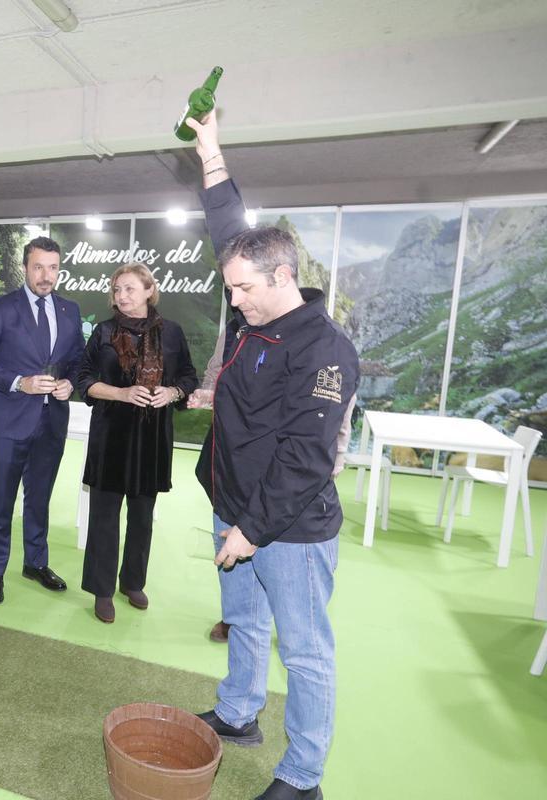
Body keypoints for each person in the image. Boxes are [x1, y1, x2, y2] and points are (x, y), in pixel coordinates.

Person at [188, 111, 360, 800]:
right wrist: (210, 151)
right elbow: (228, 226)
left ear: (283, 276)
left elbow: (305, 459)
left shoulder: (324, 350)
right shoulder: (253, 303)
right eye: (230, 288)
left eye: (243, 289)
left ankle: (303, 777)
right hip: (233, 506)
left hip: (289, 528)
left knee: (306, 652)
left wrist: (250, 531)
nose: (234, 301)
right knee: (244, 620)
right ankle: (238, 713)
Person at [190, 332, 358, 644]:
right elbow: (218, 372)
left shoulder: (323, 342)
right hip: (234, 480)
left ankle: (286, 623)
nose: (239, 305)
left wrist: (337, 456)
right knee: (242, 606)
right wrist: (210, 393)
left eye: (246, 299)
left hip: (291, 486)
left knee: (302, 636)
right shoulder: (238, 330)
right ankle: (240, 620)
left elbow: (337, 412)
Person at [76, 263, 197, 623]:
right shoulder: (103, 331)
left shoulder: (172, 333)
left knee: (142, 517)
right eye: (117, 289)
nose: (121, 296)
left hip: (152, 438)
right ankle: (101, 590)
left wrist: (172, 392)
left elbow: (188, 376)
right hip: (110, 436)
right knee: (104, 517)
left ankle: (132, 582)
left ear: (149, 291)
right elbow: (84, 379)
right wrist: (122, 393)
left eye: (129, 288)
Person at [0, 236, 85, 604]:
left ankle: (35, 563)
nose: (45, 275)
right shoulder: (1, 308)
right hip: (8, 421)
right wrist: (20, 382)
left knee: (40, 498)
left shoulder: (70, 310)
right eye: (38, 267)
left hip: (52, 423)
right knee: (1, 500)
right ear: (25, 268)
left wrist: (70, 383)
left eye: (53, 268)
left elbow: (79, 361)